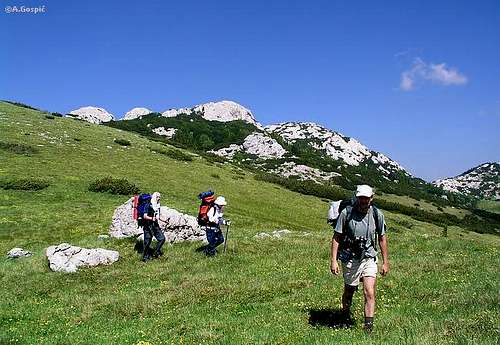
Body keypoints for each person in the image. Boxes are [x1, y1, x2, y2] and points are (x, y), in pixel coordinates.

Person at [330, 184, 390, 332]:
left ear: (371, 198)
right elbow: (336, 237)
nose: (364, 201)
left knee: (369, 291)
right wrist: (333, 260)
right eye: (361, 198)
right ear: (357, 198)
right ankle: (345, 315)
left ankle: (368, 327)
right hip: (350, 258)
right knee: (349, 289)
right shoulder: (347, 213)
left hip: (369, 257)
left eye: (366, 198)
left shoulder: (377, 214)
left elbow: (382, 238)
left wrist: (385, 262)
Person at [142, 192, 166, 262]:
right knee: (147, 241)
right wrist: (151, 218)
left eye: (159, 197)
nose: (159, 198)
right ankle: (145, 257)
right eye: (157, 197)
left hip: (155, 225)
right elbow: (144, 216)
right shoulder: (148, 205)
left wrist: (164, 220)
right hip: (148, 226)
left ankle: (155, 252)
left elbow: (157, 216)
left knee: (162, 239)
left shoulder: (157, 206)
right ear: (154, 197)